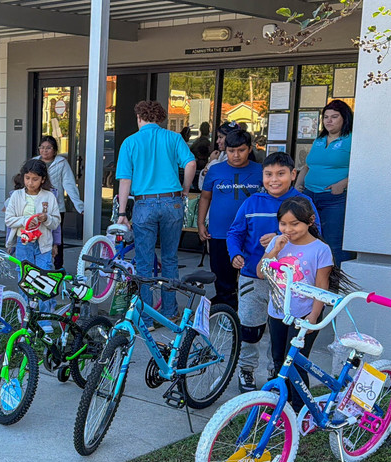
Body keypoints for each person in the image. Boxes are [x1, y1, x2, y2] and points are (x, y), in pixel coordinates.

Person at [226, 152, 320, 392]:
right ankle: (246, 369)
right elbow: (235, 232)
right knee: (249, 326)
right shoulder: (252, 202)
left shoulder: (303, 204)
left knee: (280, 327)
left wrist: (281, 240)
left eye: (281, 174)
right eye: (268, 174)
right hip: (252, 275)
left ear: (293, 175)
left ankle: (275, 370)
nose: (274, 180)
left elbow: (316, 237)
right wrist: (235, 252)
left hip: (289, 280)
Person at [258, 196, 353, 412]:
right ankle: (281, 402)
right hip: (278, 311)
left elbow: (321, 286)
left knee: (296, 362)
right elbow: (260, 273)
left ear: (310, 221)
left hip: (304, 314)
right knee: (278, 359)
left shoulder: (320, 249)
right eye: (283, 224)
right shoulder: (277, 243)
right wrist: (274, 252)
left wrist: (313, 316)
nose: (288, 229)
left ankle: (301, 409)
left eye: (295, 224)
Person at [114, 100, 196, 320]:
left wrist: (122, 213)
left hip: (144, 204)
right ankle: (169, 314)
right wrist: (185, 189)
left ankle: (147, 318)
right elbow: (190, 163)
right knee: (170, 259)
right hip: (172, 202)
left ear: (139, 118)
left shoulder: (130, 142)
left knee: (143, 262)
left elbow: (125, 180)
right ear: (160, 119)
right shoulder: (173, 138)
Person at [198, 129, 263, 310]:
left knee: (251, 276)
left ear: (249, 149)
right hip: (220, 232)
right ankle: (227, 313)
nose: (235, 155)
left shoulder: (260, 171)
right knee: (222, 276)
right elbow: (205, 198)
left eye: (241, 150)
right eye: (231, 151)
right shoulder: (215, 170)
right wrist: (201, 223)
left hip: (252, 233)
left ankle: (248, 313)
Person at [295, 100, 354, 266]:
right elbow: (308, 165)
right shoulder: (319, 140)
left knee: (333, 243)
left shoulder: (351, 139)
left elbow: (362, 168)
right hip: (309, 197)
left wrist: (343, 184)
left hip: (334, 199)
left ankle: (337, 286)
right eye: (326, 117)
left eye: (334, 116)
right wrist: (298, 186)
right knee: (310, 239)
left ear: (345, 118)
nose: (329, 120)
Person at [5, 159, 60, 315]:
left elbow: (56, 222)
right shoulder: (16, 196)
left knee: (44, 277)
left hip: (43, 244)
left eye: (35, 179)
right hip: (24, 243)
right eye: (27, 178)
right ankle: (25, 312)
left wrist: (46, 219)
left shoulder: (49, 196)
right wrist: (25, 220)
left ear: (43, 179)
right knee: (24, 277)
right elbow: (8, 219)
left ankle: (44, 316)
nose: (30, 182)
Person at [34, 135, 83, 269]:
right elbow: (24, 183)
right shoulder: (34, 162)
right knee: (37, 236)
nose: (45, 151)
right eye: (42, 148)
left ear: (55, 150)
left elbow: (69, 184)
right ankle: (39, 266)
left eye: (48, 148)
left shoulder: (61, 163)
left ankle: (58, 267)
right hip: (37, 206)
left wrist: (79, 206)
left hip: (56, 207)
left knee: (56, 238)